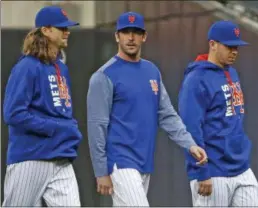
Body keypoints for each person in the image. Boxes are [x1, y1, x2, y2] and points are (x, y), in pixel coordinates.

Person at [87, 11, 208, 207]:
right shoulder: (104, 76)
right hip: (120, 162)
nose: (131, 37)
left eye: (136, 32)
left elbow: (167, 114)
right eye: (126, 32)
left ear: (144, 36)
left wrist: (190, 144)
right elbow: (96, 126)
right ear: (117, 36)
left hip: (144, 161)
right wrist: (101, 171)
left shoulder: (152, 71)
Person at [2, 6, 82, 207]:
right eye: (61, 28)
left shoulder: (61, 67)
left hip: (61, 158)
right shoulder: (27, 67)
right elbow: (13, 114)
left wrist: (68, 128)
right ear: (46, 30)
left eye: (67, 28)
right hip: (31, 158)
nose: (67, 32)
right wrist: (56, 128)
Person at [178, 20, 258, 207]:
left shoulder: (232, 72)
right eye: (229, 46)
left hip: (241, 168)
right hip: (213, 171)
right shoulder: (196, 79)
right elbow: (190, 128)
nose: (234, 51)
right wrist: (201, 172)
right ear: (213, 45)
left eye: (237, 47)